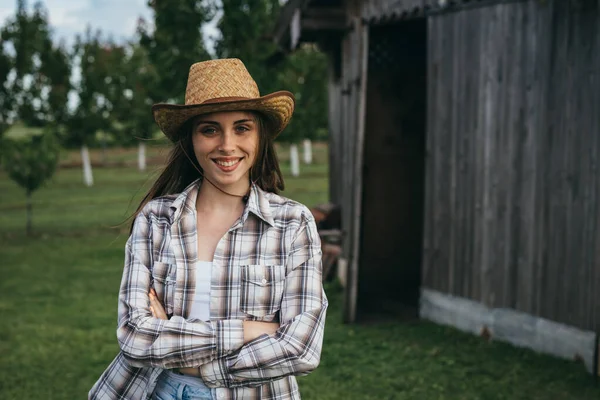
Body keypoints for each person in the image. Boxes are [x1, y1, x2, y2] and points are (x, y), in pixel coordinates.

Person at [89, 58, 328, 400]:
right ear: (192, 140)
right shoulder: (156, 220)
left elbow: (301, 347)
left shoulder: (292, 223)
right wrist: (249, 330)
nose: (227, 145)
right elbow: (135, 338)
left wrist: (195, 363)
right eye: (210, 129)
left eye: (242, 128)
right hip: (157, 391)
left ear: (260, 136)